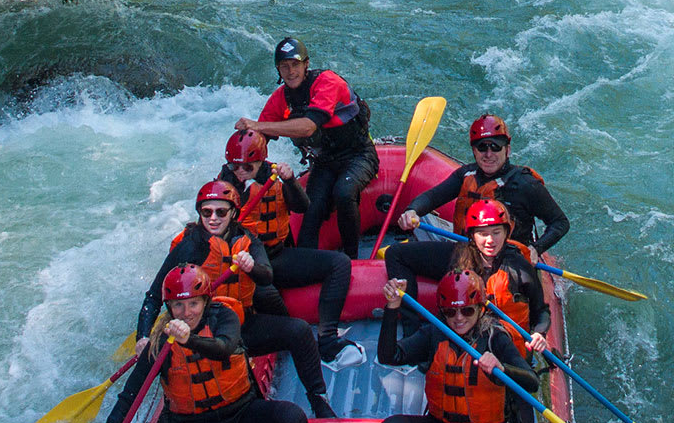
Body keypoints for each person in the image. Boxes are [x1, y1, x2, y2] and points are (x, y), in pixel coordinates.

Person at [126, 180, 338, 418]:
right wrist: (143, 336)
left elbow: (267, 276)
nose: (213, 218)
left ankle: (319, 400)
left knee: (299, 331)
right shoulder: (187, 248)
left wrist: (251, 267)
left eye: (221, 212)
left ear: (233, 213)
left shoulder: (247, 240)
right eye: (206, 212)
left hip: (242, 326)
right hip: (201, 335)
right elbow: (155, 295)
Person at [91, 266, 313, 423]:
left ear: (205, 301)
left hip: (241, 410)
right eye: (178, 305)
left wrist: (190, 340)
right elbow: (129, 397)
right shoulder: (160, 345)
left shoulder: (225, 318)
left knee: (293, 417)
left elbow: (224, 348)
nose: (186, 313)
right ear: (169, 307)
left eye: (193, 304)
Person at [374, 271, 538, 423]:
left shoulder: (495, 338)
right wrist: (392, 308)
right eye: (451, 312)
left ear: (480, 309)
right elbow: (389, 356)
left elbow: (532, 382)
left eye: (467, 311)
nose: (459, 319)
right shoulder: (434, 334)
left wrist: (502, 369)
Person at [219, 129, 361, 366]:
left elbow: (302, 207)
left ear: (260, 161)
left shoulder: (274, 176)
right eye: (235, 167)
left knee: (339, 263)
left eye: (247, 167)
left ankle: (327, 337)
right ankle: (291, 343)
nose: (240, 173)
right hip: (248, 268)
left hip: (276, 255)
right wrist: (240, 189)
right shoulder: (223, 189)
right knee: (268, 293)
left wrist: (290, 181)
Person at [234, 37, 379, 259]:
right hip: (324, 162)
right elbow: (258, 138)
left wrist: (257, 125)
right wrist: (238, 171)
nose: (291, 71)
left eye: (295, 65)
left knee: (343, 192)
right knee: (311, 209)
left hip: (358, 155)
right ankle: (305, 265)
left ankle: (352, 258)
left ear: (306, 64)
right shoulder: (280, 98)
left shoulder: (327, 82)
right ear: (278, 70)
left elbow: (309, 127)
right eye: (284, 66)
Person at [385, 198, 551, 355]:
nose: (490, 241)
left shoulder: (519, 267)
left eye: (496, 232)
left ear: (507, 232)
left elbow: (541, 311)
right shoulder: (457, 256)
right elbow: (395, 255)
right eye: (482, 234)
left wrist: (539, 333)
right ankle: (411, 336)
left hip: (502, 346)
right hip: (463, 334)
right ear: (472, 235)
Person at [392, 113, 569, 258]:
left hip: (508, 261)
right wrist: (412, 210)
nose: (489, 154)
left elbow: (560, 223)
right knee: (396, 254)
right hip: (467, 255)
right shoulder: (466, 175)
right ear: (474, 151)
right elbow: (432, 197)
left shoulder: (525, 184)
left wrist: (537, 249)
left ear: (507, 150)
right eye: (482, 147)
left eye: (496, 146)